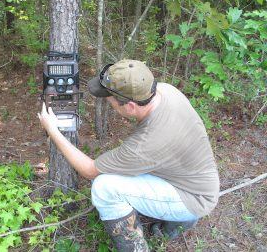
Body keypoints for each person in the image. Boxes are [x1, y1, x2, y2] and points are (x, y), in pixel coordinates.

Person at [38, 59, 220, 251]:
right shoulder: (167, 91)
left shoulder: (145, 145)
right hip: (197, 179)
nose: (108, 103)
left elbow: (89, 170)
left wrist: (53, 131)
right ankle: (174, 225)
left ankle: (137, 246)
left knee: (104, 187)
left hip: (194, 198)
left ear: (131, 107)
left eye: (110, 101)